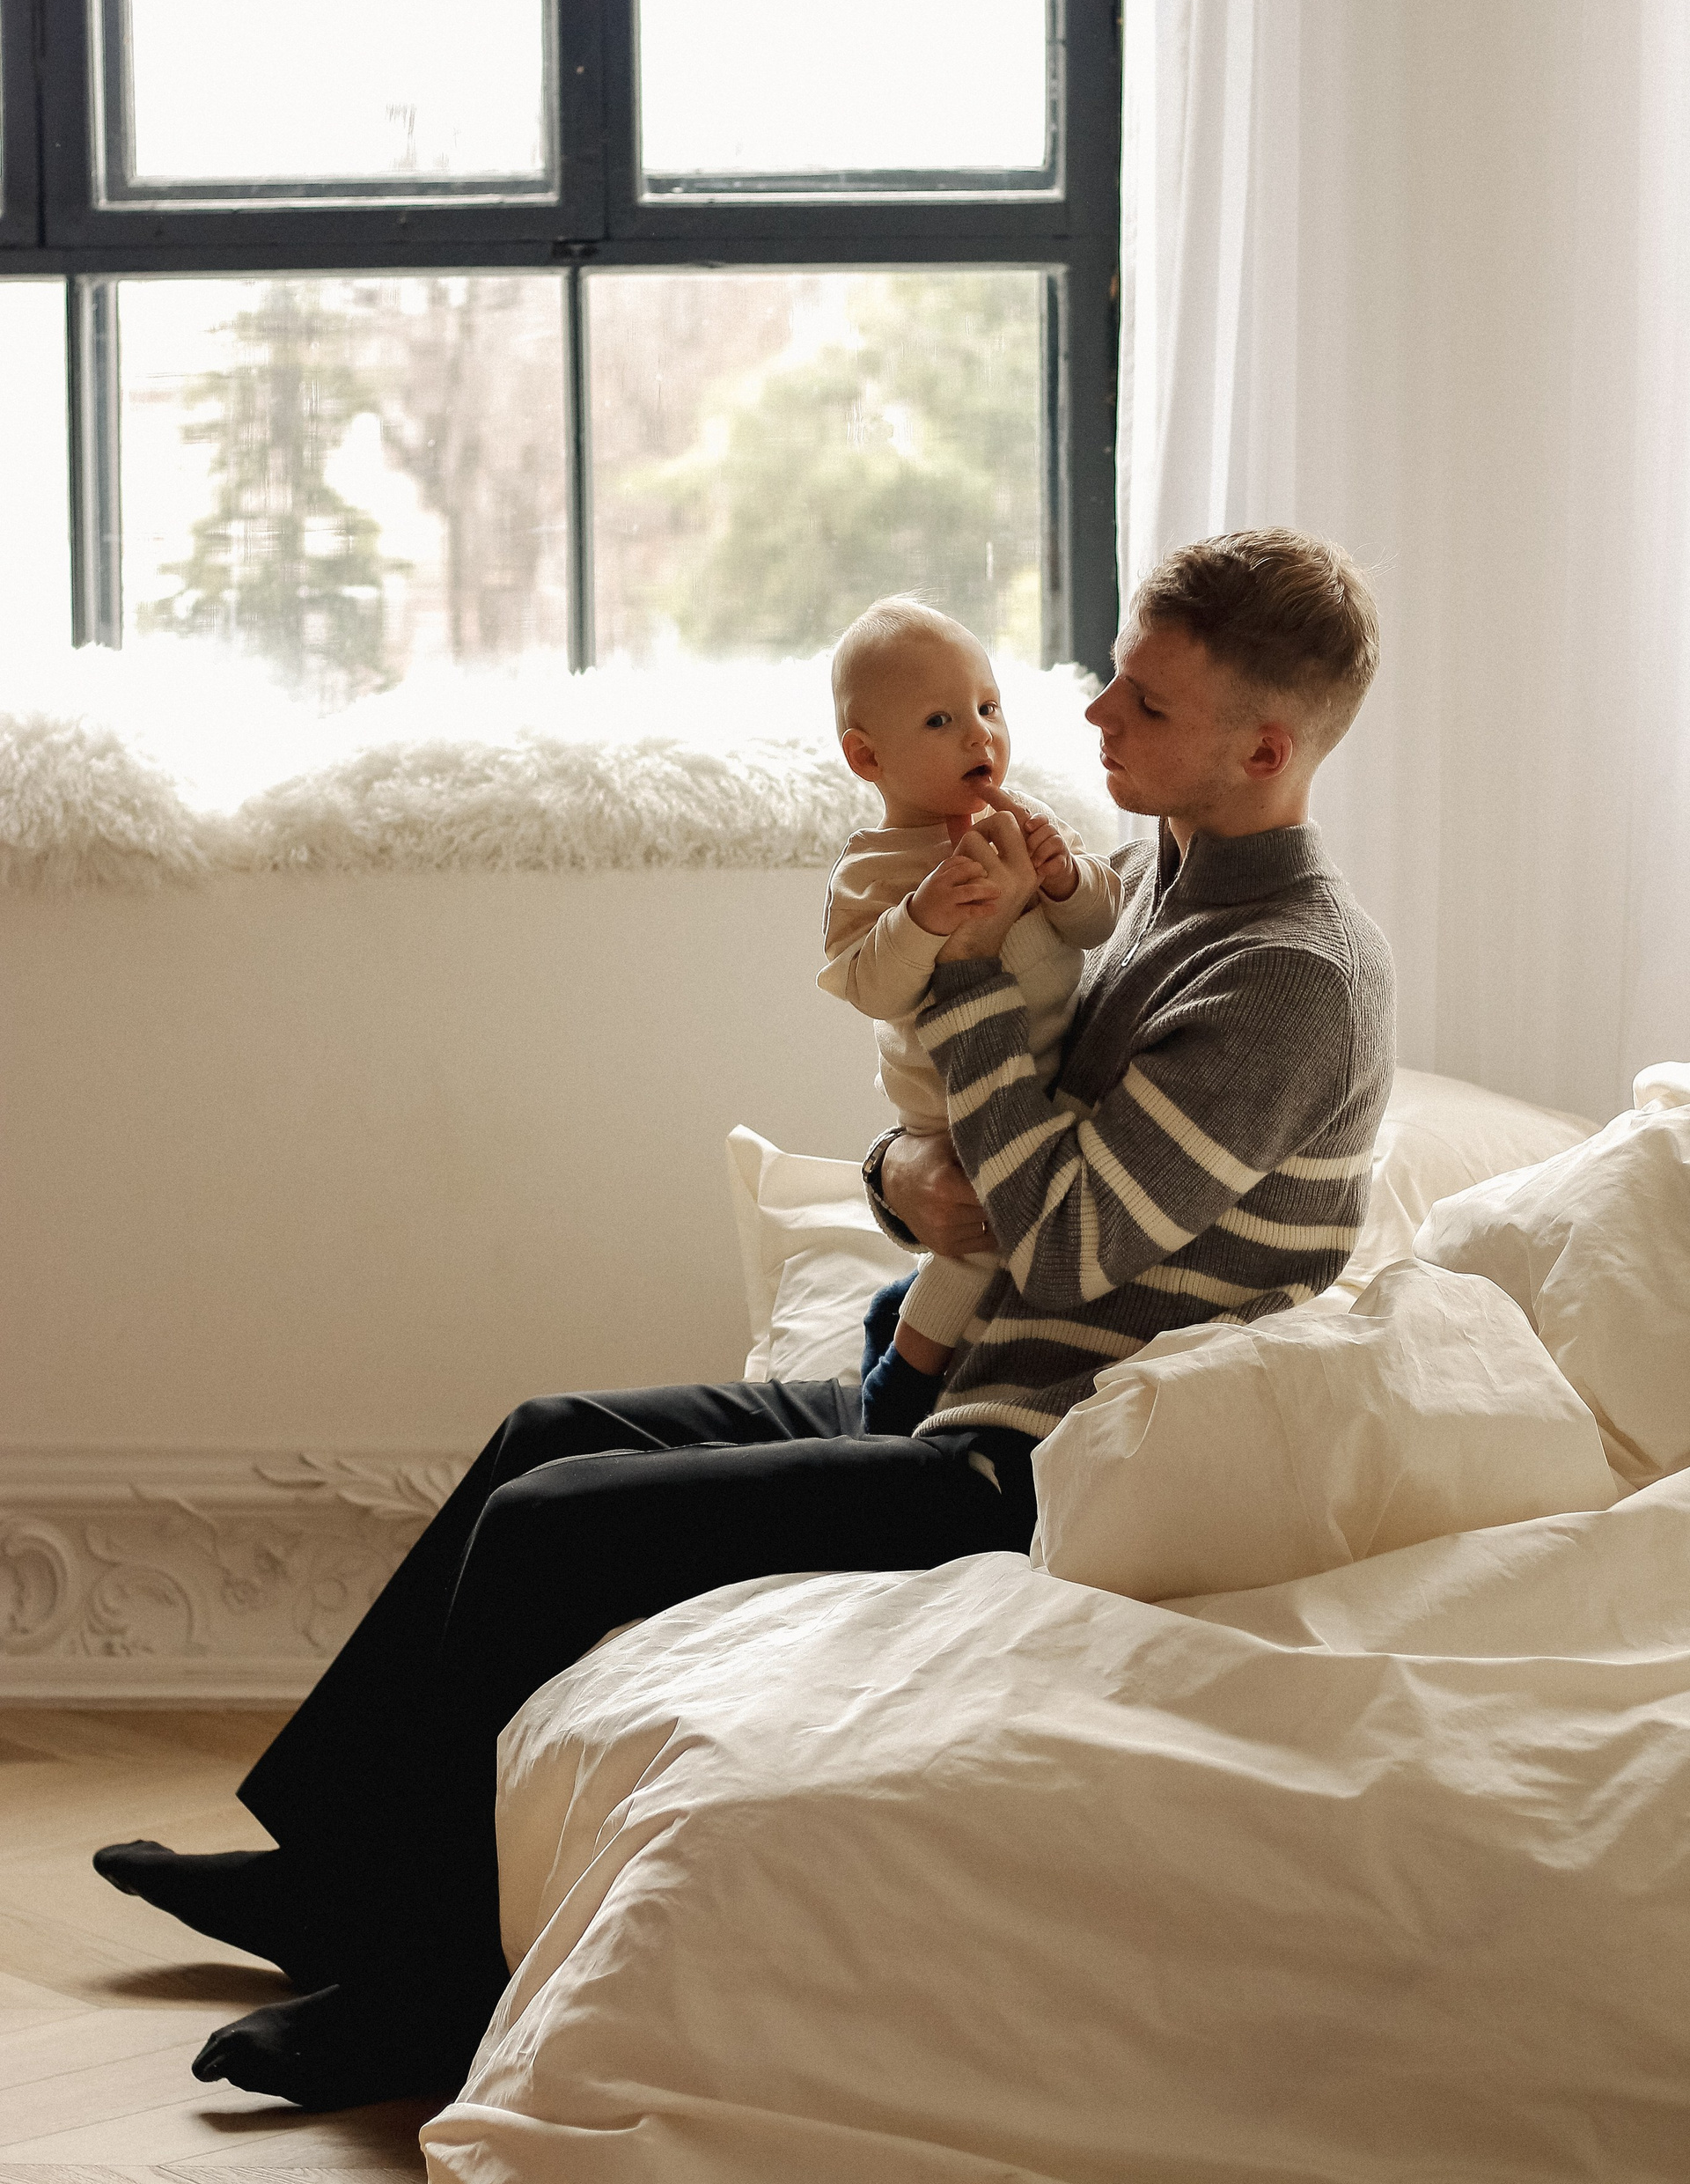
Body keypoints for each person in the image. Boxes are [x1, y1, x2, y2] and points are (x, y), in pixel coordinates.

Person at [92, 526, 1396, 2112]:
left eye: (1148, 703)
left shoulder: (1292, 977)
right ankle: (330, 1878)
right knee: (542, 1436)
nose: (1096, 715)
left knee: (555, 1528)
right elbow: (961, 1166)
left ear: (1265, 750)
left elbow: (1061, 1241)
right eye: (1117, 677)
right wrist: (899, 1174)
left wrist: (964, 982)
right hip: (960, 1377)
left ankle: (429, 1992)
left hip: (1046, 1462)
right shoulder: (1154, 883)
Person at [820, 595, 1127, 1408]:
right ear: (866, 757)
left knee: (1010, 1233)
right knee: (982, 1241)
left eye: (989, 707)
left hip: (1046, 1081)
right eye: (940, 720)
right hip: (949, 1108)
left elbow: (1100, 923)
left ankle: (899, 1317)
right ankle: (901, 1380)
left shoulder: (1026, 825)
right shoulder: (873, 871)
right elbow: (871, 988)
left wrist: (1066, 877)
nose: (979, 735)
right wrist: (921, 918)